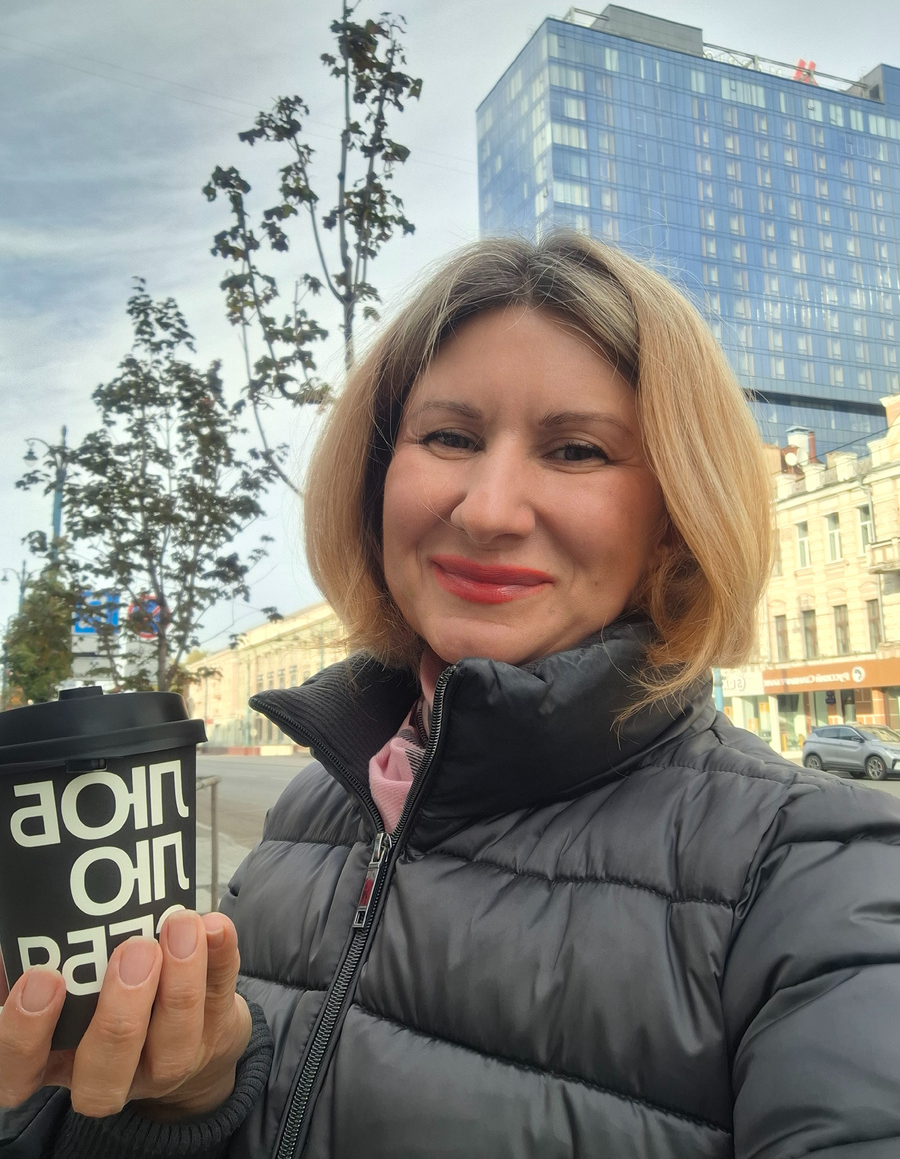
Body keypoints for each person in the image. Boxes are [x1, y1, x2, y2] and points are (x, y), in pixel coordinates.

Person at [3, 232, 900, 1158]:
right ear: (376, 478)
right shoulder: (316, 807)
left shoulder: (813, 870)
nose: (488, 510)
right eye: (449, 437)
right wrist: (185, 1098)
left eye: (577, 450)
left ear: (676, 516)